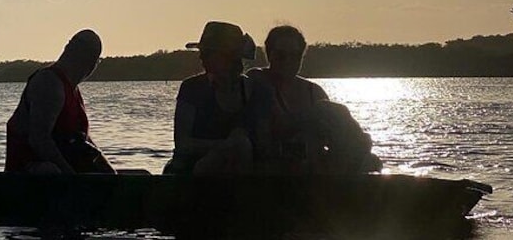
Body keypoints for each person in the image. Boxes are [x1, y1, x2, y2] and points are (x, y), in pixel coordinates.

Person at [248, 25, 381, 174]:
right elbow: (271, 127)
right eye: (281, 55)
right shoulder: (257, 80)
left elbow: (331, 135)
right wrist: (312, 117)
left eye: (295, 55)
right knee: (325, 110)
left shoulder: (313, 91)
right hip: (273, 157)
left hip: (310, 159)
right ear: (269, 55)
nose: (288, 61)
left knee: (338, 115)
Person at [163, 21, 272, 175]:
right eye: (202, 52)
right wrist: (225, 146)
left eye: (208, 53)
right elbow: (183, 144)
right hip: (191, 171)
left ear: (230, 57)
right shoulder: (192, 88)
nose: (201, 57)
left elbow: (264, 142)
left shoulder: (255, 91)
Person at [5, 29, 115, 174]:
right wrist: (70, 175)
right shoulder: (49, 83)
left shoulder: (73, 90)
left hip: (64, 172)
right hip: (27, 173)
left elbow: (85, 142)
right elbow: (39, 140)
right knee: (50, 171)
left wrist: (112, 175)